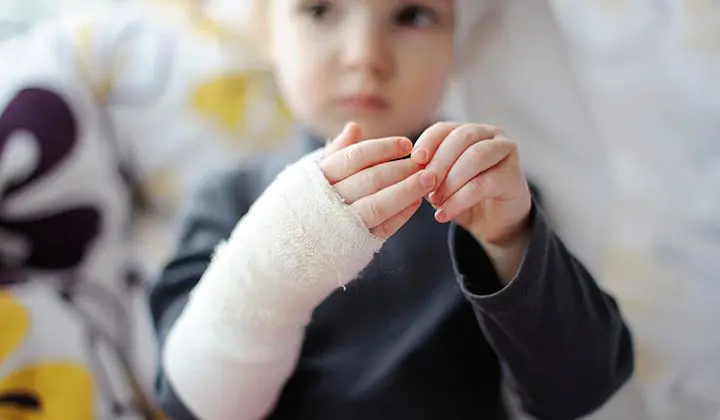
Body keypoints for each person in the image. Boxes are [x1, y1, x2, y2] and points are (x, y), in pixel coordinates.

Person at [149, 0, 634, 419]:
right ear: (265, 30)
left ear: (458, 43)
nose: (366, 56)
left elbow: (581, 389)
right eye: (320, 9)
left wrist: (509, 241)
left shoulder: (492, 197)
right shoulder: (230, 199)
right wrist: (275, 262)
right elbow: (192, 406)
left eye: (412, 15)